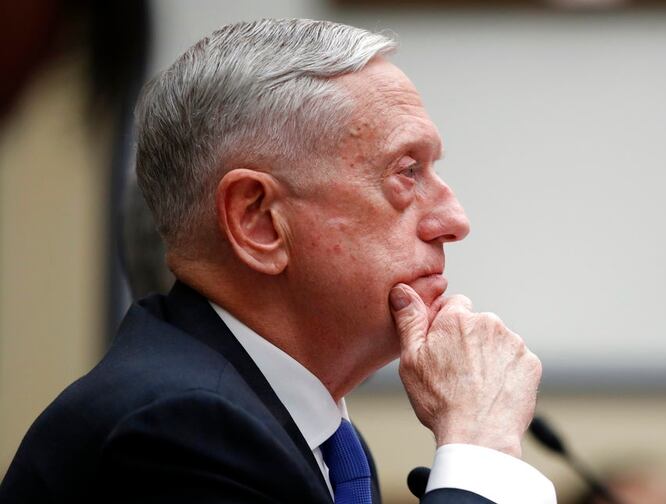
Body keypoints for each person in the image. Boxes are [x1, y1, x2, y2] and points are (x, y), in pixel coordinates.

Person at [0, 19, 557, 503]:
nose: (454, 220)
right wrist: (481, 448)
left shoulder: (300, 429)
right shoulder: (180, 431)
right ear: (258, 221)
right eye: (406, 172)